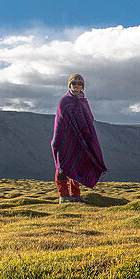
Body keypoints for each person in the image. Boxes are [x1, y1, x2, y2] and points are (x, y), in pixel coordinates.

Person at [51, 73, 108, 203]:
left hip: (80, 139)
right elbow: (61, 122)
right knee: (63, 165)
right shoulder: (64, 102)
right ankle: (63, 196)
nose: (76, 86)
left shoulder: (83, 101)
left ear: (83, 86)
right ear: (69, 85)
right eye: (73, 83)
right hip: (65, 138)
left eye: (79, 84)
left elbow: (89, 119)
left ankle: (75, 195)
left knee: (77, 165)